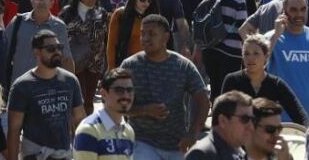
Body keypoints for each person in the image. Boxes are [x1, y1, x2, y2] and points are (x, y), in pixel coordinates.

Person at [120, 14, 210, 158]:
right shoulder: (129, 66)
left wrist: (193, 133)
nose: (145, 38)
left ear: (166, 37)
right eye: (142, 34)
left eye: (152, 34)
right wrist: (145, 110)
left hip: (176, 143)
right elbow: (117, 106)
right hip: (141, 141)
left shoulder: (183, 66)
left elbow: (203, 100)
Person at [6, 30, 86, 160]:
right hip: (34, 156)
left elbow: (80, 120)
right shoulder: (22, 86)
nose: (57, 52)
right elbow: (14, 130)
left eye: (59, 48)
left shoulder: (70, 81)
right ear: (37, 52)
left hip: (64, 155)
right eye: (50, 49)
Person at [221, 34, 309, 125]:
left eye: (256, 53)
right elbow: (222, 114)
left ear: (266, 56)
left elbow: (299, 113)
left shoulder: (276, 84)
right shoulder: (232, 81)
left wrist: (308, 131)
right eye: (246, 54)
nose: (250, 58)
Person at [3, 0, 73, 87]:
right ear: (32, 2)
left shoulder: (59, 26)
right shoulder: (18, 22)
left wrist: (69, 86)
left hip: (48, 87)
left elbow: (66, 59)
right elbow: (4, 49)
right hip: (19, 86)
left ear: (52, 3)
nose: (41, 2)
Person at [199, 0, 249, 101]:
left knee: (215, 88)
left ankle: (216, 119)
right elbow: (242, 27)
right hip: (230, 52)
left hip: (210, 49)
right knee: (229, 92)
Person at [58, 0, 108, 114]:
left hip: (95, 62)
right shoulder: (68, 12)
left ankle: (87, 131)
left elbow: (106, 37)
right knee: (79, 99)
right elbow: (59, 35)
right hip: (75, 61)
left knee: (89, 100)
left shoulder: (101, 13)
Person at [73, 68, 136, 160]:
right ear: (103, 94)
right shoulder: (88, 130)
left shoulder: (128, 132)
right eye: (119, 90)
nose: (126, 95)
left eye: (130, 90)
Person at [185, 90, 255, 160]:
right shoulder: (202, 155)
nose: (251, 127)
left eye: (253, 120)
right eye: (245, 119)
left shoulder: (238, 151)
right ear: (223, 121)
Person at [106, 0, 159, 69]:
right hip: (126, 65)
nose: (146, 3)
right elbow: (112, 45)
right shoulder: (120, 14)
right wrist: (112, 69)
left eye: (149, 0)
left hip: (148, 66)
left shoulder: (153, 17)